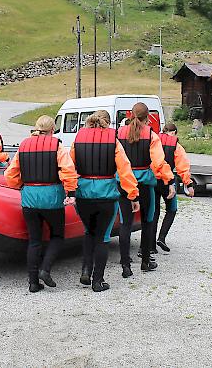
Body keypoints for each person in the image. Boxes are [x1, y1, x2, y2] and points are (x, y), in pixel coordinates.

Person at [4, 115, 79, 293]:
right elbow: (68, 170)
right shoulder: (57, 146)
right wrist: (71, 192)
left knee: (34, 240)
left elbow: (10, 175)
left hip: (29, 199)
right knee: (57, 236)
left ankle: (33, 282)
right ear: (53, 130)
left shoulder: (23, 146)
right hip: (52, 199)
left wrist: (20, 186)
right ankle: (45, 269)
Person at [70, 110, 140, 292]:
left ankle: (86, 269)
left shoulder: (78, 139)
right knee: (102, 238)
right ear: (107, 123)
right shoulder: (113, 140)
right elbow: (125, 169)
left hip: (83, 195)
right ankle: (98, 281)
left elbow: (69, 166)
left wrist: (68, 190)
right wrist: (133, 195)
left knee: (88, 232)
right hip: (106, 196)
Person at [117, 102, 175, 278]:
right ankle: (145, 261)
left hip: (124, 183)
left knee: (125, 224)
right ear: (147, 116)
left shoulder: (119, 133)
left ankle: (126, 265)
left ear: (131, 114)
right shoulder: (151, 135)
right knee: (148, 221)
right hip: (145, 183)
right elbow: (158, 162)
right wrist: (169, 180)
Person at [151, 122, 194, 253]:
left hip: (152, 181)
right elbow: (182, 167)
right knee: (172, 209)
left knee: (154, 212)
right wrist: (189, 184)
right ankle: (162, 238)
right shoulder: (176, 145)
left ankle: (151, 245)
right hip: (168, 182)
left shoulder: (153, 140)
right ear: (174, 132)